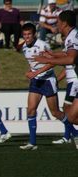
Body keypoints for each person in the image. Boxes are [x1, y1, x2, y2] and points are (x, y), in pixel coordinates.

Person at [19, 22, 77, 150]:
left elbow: (52, 62)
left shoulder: (42, 45)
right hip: (36, 81)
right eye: (24, 34)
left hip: (47, 80)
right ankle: (32, 143)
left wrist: (35, 73)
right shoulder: (24, 47)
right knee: (31, 110)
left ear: (34, 35)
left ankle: (75, 133)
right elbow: (32, 64)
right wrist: (32, 73)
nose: (27, 37)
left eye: (29, 34)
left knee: (55, 112)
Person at [33, 10, 78, 148]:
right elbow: (67, 53)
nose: (56, 24)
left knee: (70, 116)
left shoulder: (73, 37)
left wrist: (44, 59)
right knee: (70, 115)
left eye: (58, 21)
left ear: (64, 23)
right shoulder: (72, 35)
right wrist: (52, 55)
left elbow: (71, 58)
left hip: (75, 81)